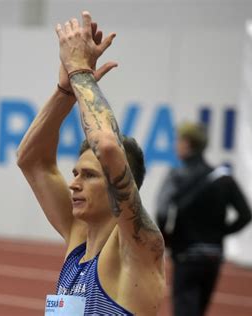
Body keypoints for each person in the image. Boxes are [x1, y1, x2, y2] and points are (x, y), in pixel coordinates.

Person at [17, 12, 165, 315]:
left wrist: (80, 73)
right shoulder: (77, 237)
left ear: (120, 183)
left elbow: (107, 145)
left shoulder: (137, 250)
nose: (73, 183)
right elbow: (32, 161)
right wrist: (64, 92)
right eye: (75, 173)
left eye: (89, 175)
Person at [156, 122, 252, 316]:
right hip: (213, 256)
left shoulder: (177, 176)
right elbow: (246, 215)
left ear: (187, 144)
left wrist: (167, 239)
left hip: (186, 255)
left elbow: (162, 211)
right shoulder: (223, 178)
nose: (176, 145)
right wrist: (221, 232)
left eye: (179, 140)